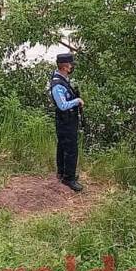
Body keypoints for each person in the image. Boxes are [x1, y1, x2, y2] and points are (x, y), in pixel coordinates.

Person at [49, 53, 85, 192]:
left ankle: (62, 173)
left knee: (63, 145)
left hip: (69, 119)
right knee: (70, 149)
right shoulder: (57, 85)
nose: (72, 67)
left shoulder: (62, 78)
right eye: (70, 65)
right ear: (64, 67)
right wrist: (77, 101)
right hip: (65, 120)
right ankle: (68, 178)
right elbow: (62, 105)